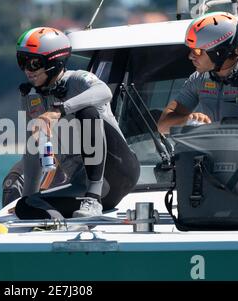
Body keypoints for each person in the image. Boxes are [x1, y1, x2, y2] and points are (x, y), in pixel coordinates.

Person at [9, 27, 140, 220]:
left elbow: (104, 92)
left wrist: (59, 110)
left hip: (119, 170)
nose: (27, 70)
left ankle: (93, 199)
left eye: (34, 63)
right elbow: (32, 151)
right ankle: (63, 222)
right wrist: (30, 196)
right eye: (23, 62)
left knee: (87, 111)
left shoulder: (78, 79)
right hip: (83, 184)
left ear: (54, 61)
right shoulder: (31, 98)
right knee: (24, 207)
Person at [158, 12, 238, 134]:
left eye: (197, 51)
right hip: (210, 152)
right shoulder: (199, 78)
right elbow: (162, 126)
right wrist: (188, 119)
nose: (190, 56)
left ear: (218, 52)